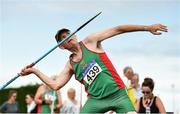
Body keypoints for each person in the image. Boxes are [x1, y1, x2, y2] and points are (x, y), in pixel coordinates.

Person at [21, 23, 167, 113]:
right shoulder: (70, 65)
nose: (68, 36)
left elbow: (118, 29)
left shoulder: (90, 42)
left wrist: (147, 28)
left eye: (69, 33)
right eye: (63, 37)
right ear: (61, 46)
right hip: (96, 101)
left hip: (118, 94)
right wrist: (35, 71)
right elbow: (55, 84)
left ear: (75, 35)